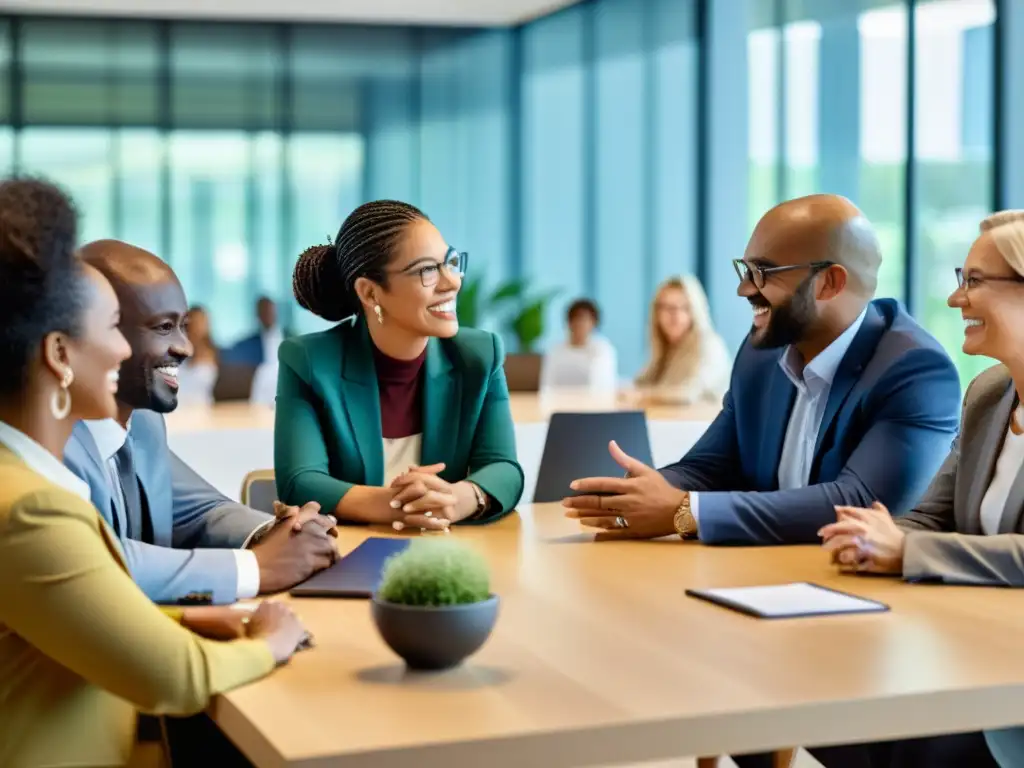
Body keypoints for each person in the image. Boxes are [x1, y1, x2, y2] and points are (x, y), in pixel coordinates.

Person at [0, 177, 308, 766]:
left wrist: (187, 615)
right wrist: (273, 640)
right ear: (60, 353)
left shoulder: (25, 476)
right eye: (113, 327)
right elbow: (177, 677)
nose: (123, 351)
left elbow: (66, 611)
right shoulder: (30, 507)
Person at [562, 194, 961, 551]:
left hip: (859, 600)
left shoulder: (915, 370)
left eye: (763, 273)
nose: (744, 290)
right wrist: (641, 492)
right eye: (745, 270)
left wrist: (687, 511)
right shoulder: (761, 353)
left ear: (829, 283)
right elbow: (710, 466)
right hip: (767, 579)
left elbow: (859, 502)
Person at [819, 210, 1024, 768]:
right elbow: (931, 516)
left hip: (1009, 685)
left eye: (974, 281)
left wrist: (906, 550)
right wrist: (872, 540)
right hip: (973, 651)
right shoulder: (988, 394)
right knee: (841, 716)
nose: (956, 299)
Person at [65, 239, 339, 606]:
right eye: (164, 327)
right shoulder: (48, 439)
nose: (186, 348)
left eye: (184, 326)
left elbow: (201, 510)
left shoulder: (143, 422)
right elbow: (93, 561)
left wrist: (279, 533)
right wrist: (255, 567)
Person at [276, 200, 524, 531]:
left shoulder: (480, 355)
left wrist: (456, 499)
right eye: (427, 270)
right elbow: (300, 482)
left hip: (446, 555)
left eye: (450, 262)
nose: (451, 282)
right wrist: (403, 505)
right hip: (347, 555)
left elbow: (504, 468)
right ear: (370, 292)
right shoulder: (308, 360)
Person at [627, 275, 731, 405]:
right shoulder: (666, 348)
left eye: (684, 308)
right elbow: (640, 384)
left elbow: (687, 393)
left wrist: (642, 395)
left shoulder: (709, 345)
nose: (675, 315)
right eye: (667, 307)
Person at [539, 298, 618, 393]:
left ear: (594, 323)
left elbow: (603, 385)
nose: (580, 324)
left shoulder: (603, 349)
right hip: (559, 403)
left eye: (585, 319)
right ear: (569, 322)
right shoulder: (555, 350)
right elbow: (546, 385)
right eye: (576, 319)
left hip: (593, 404)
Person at [225, 295, 288, 367]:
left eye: (269, 310)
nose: (267, 314)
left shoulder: (290, 338)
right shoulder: (249, 344)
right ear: (258, 315)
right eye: (263, 311)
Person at [177, 304, 219, 406]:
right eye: (193, 324)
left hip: (202, 408)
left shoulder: (212, 353)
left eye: (200, 323)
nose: (197, 328)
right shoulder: (177, 351)